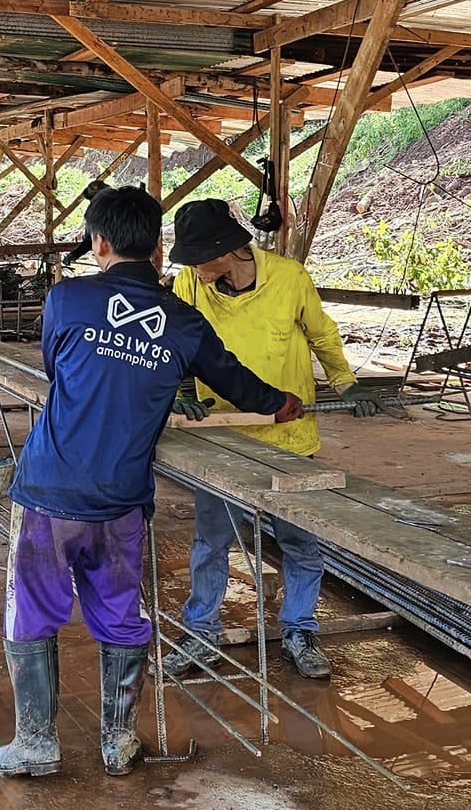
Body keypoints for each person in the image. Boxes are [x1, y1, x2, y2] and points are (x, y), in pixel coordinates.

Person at [0, 186, 300, 781]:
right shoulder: (183, 322)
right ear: (159, 247)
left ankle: (35, 744)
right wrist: (282, 403)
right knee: (119, 615)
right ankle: (118, 743)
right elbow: (237, 382)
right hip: (122, 501)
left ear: (99, 243)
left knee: (31, 613)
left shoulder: (67, 299)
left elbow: (58, 371)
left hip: (50, 493)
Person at [160, 198, 386, 683]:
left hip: (289, 439)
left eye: (199, 260)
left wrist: (347, 384)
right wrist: (181, 392)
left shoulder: (289, 278)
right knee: (211, 543)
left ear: (226, 250)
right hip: (222, 440)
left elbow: (323, 336)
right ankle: (200, 633)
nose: (194, 270)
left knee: (300, 540)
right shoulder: (189, 285)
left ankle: (299, 630)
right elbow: (177, 344)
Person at [59, 180, 110, 267]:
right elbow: (89, 240)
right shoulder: (95, 214)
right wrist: (75, 254)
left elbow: (89, 240)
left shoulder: (99, 213)